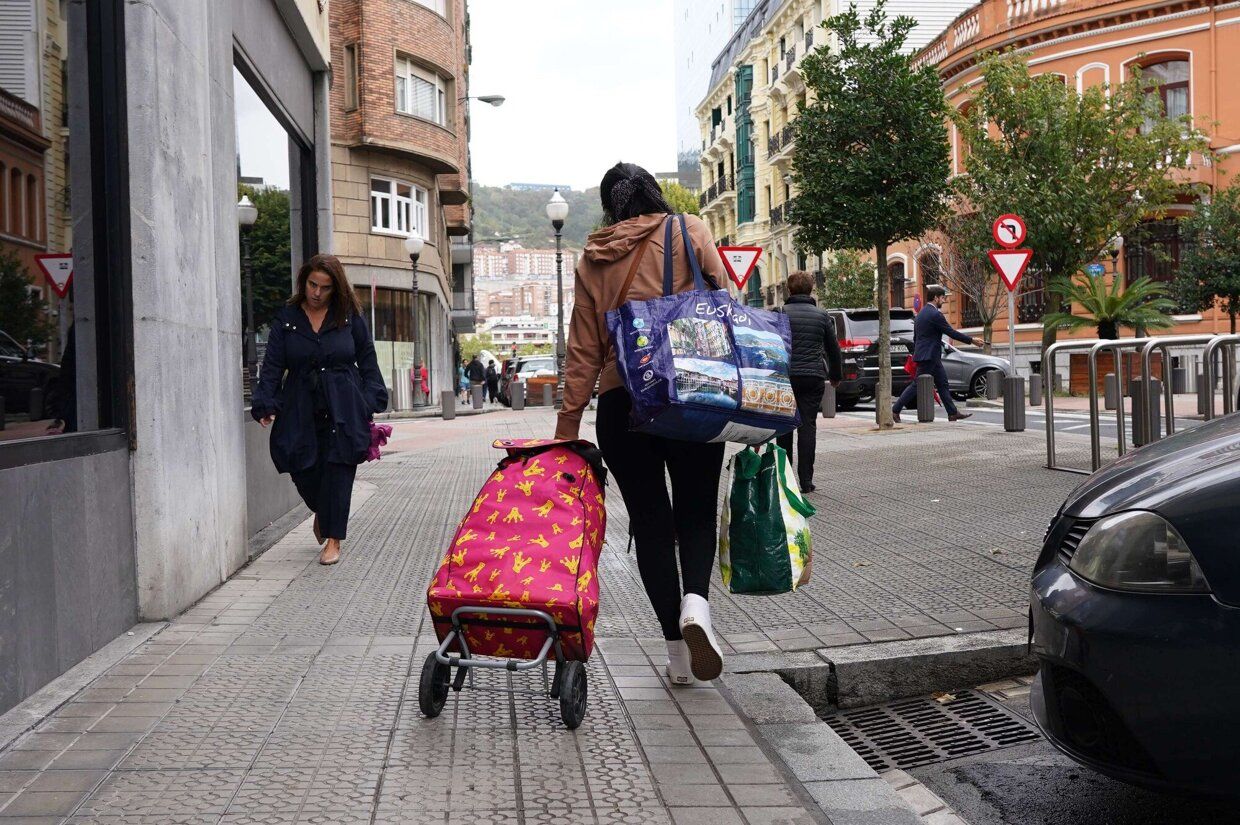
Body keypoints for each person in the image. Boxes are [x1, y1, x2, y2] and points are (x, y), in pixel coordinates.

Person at [555, 161, 727, 686]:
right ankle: (695, 605)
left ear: (612, 206)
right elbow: (725, 304)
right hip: (692, 392)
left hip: (621, 404)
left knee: (651, 527)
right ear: (654, 192)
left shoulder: (593, 259)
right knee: (696, 511)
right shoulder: (689, 229)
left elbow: (582, 351)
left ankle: (676, 656)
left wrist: (567, 429)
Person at [252, 254, 388, 565]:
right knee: (303, 468)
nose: (317, 292)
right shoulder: (288, 318)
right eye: (313, 284)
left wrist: (369, 399)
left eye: (325, 287)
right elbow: (273, 364)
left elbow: (367, 358)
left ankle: (333, 540)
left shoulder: (349, 316)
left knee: (340, 469)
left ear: (335, 289)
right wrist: (265, 401)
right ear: (304, 282)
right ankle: (323, 512)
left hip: (344, 402)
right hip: (300, 404)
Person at [776, 271, 843, 493]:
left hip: (785, 377)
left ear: (789, 289)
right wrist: (835, 376)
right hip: (813, 376)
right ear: (811, 289)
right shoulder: (821, 315)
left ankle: (785, 481)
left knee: (785, 428)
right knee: (807, 427)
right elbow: (834, 349)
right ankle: (806, 481)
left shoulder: (780, 313)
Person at [892, 284, 976, 423]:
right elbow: (951, 332)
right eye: (943, 298)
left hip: (929, 356)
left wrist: (916, 353)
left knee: (942, 384)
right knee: (917, 384)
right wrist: (971, 340)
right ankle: (895, 409)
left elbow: (916, 337)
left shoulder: (920, 315)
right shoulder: (935, 314)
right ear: (936, 298)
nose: (944, 301)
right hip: (929, 356)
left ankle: (952, 413)